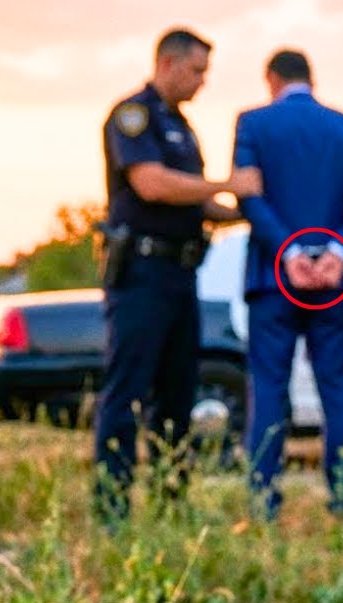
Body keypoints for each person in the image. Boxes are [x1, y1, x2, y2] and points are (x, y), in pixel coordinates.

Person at [95, 28, 254, 524]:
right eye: (197, 70)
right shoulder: (133, 116)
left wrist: (238, 209)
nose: (202, 82)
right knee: (128, 391)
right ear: (167, 62)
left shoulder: (182, 127)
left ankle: (171, 502)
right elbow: (153, 185)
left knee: (177, 395)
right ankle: (113, 507)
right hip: (141, 273)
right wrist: (228, 182)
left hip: (181, 275)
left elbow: (197, 199)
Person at [233, 49, 343, 519]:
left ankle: (263, 504)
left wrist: (290, 252)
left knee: (270, 389)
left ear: (271, 78)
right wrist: (337, 252)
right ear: (310, 79)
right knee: (337, 392)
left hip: (274, 280)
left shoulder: (253, 124)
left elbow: (249, 197)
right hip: (336, 283)